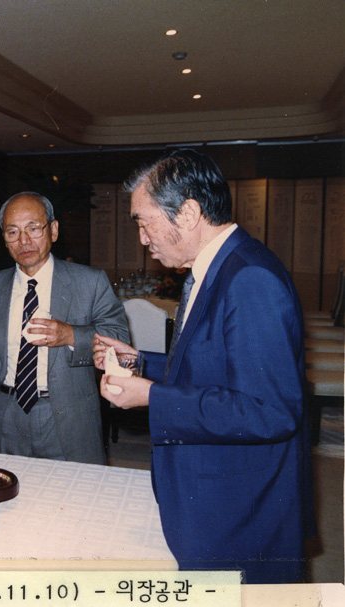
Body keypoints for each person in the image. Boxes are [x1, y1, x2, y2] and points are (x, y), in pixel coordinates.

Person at [92, 149, 314, 583]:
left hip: (240, 512)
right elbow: (212, 365)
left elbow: (271, 411)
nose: (142, 239)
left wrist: (152, 397)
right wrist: (141, 362)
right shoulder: (217, 267)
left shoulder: (249, 278)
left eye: (144, 222)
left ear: (189, 213)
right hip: (216, 495)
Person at [0, 192, 128, 463]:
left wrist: (70, 335)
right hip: (7, 414)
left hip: (69, 415)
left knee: (77, 488)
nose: (24, 241)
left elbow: (120, 339)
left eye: (33, 228)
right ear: (4, 238)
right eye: (13, 232)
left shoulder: (89, 281)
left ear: (53, 230)